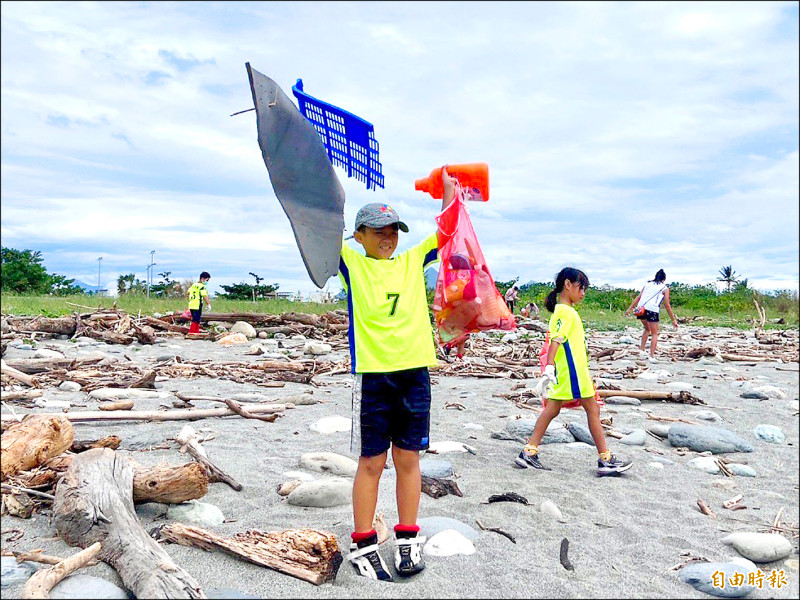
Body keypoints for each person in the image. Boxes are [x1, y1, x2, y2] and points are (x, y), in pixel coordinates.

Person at [341, 170, 457, 581]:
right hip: (375, 377)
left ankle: (407, 539)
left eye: (392, 230)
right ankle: (364, 543)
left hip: (414, 375)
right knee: (371, 461)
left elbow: (447, 230)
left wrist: (447, 189)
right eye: (377, 231)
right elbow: (315, 232)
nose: (387, 237)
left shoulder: (411, 260)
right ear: (359, 235)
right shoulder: (352, 263)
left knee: (408, 459)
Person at [514, 267, 632, 477]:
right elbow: (556, 340)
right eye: (581, 287)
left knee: (553, 410)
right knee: (592, 409)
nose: (583, 293)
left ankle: (529, 451)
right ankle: (605, 458)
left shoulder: (564, 311)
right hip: (573, 374)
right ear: (567, 284)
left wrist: (551, 369)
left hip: (572, 372)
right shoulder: (565, 312)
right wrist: (549, 367)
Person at [625, 269, 678, 360]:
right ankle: (651, 356)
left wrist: (629, 309)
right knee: (654, 334)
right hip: (652, 310)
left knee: (647, 329)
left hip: (640, 309)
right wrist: (673, 320)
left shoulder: (647, 284)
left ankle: (642, 350)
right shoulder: (664, 288)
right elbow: (667, 305)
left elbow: (639, 297)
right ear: (664, 279)